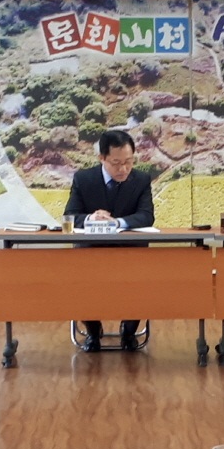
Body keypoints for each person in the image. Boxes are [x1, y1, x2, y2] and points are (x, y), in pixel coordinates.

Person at [63, 130, 155, 350]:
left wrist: (118, 223)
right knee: (81, 281)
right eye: (116, 163)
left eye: (128, 162)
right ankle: (93, 331)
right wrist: (91, 218)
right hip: (91, 252)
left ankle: (129, 332)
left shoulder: (141, 180)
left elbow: (146, 215)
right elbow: (70, 216)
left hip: (130, 251)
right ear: (102, 158)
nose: (123, 169)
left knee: (140, 280)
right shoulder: (84, 179)